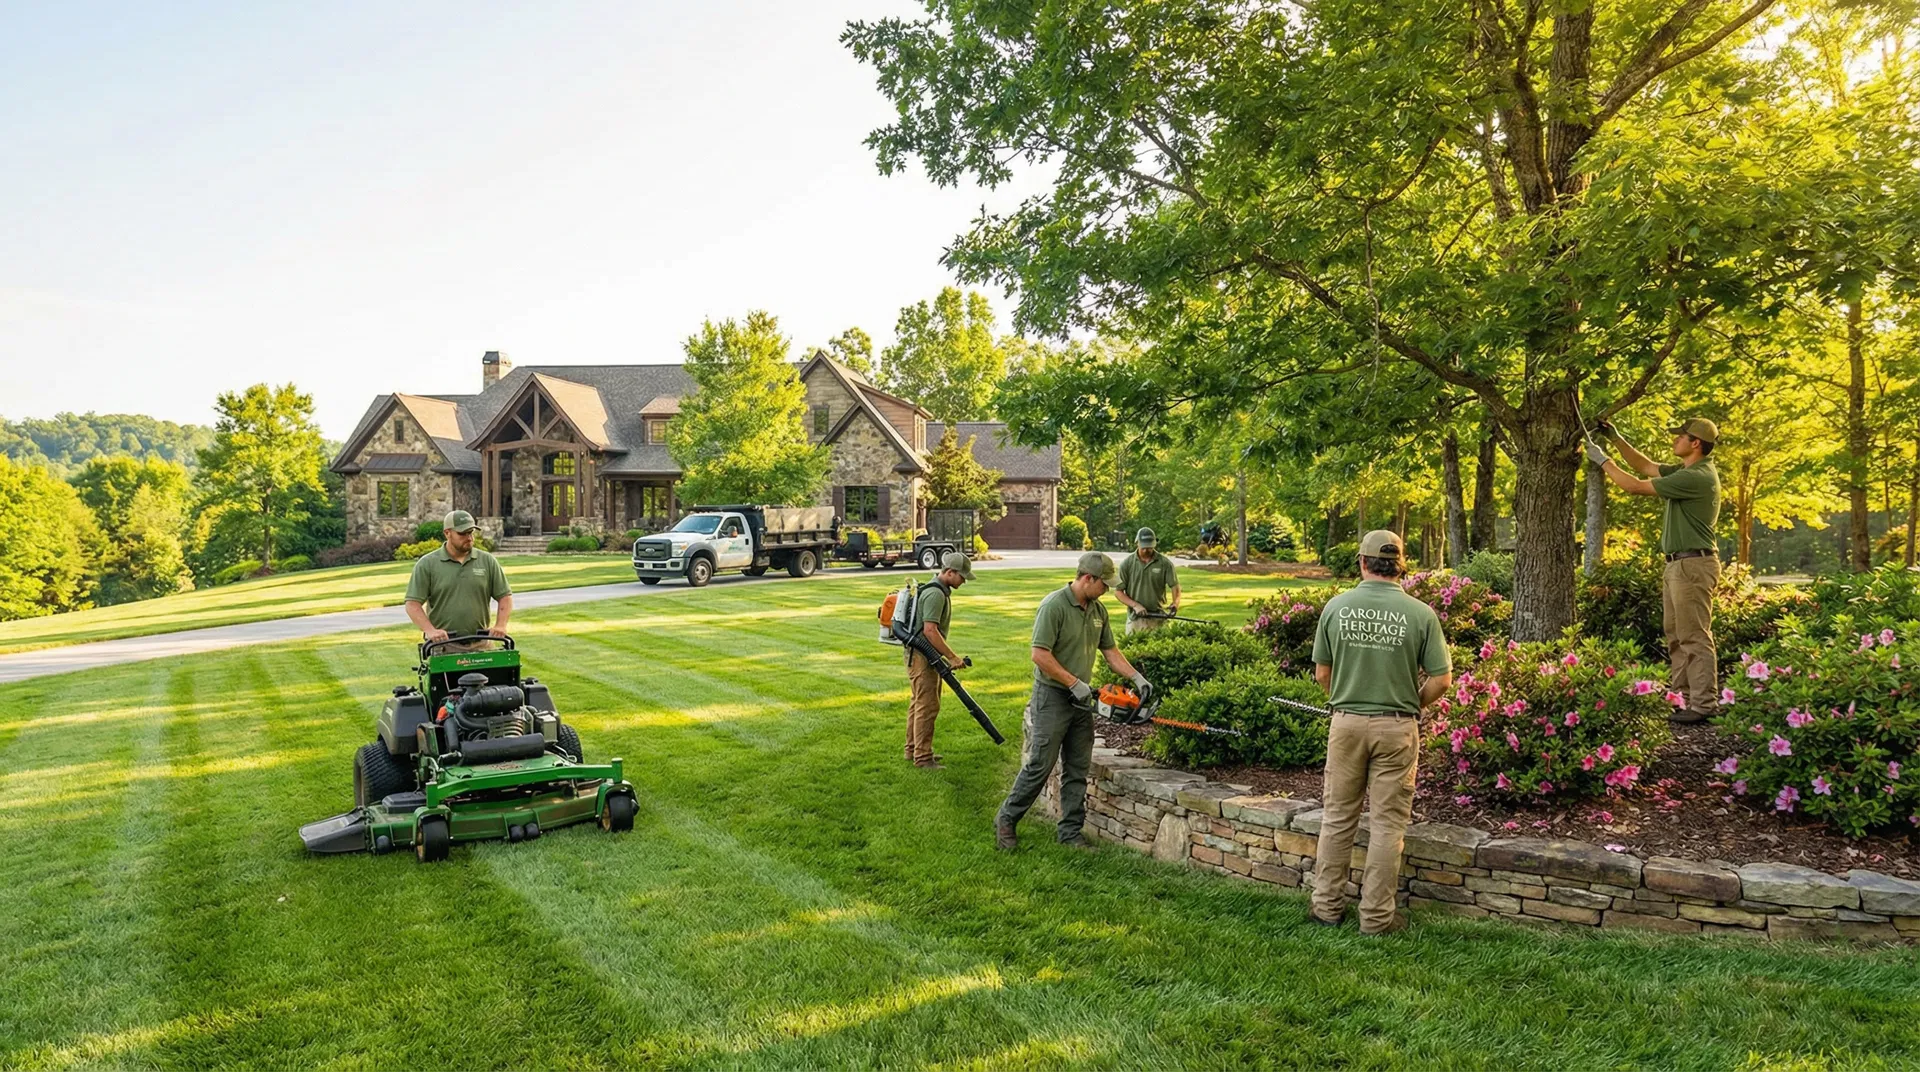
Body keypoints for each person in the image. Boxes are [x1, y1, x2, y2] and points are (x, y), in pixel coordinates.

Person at [1309, 530, 1452, 936]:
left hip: (1346, 722)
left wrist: (1344, 699)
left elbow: (1322, 672)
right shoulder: (1421, 613)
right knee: (1388, 824)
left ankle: (1326, 908)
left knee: (1337, 818)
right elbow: (1442, 681)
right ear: (1401, 564)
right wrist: (1412, 704)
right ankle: (1375, 919)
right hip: (1397, 726)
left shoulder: (1336, 608)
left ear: (1362, 561)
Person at [994, 552, 1152, 850]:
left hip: (1081, 699)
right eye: (1104, 584)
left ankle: (1070, 833)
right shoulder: (1053, 606)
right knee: (1041, 764)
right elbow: (1039, 655)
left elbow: (1111, 651)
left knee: (1078, 766)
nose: (1107, 590)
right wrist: (1072, 682)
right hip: (1053, 696)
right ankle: (1006, 818)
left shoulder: (1097, 611)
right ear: (1087, 579)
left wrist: (1136, 678)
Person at [1588, 417, 1723, 722]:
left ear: (1696, 443)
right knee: (1676, 635)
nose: (1675, 440)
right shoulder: (1686, 470)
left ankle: (1703, 705)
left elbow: (1634, 486)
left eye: (1680, 437)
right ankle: (1683, 698)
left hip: (1692, 564)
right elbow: (1645, 466)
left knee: (1694, 636)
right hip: (1679, 564)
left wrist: (1601, 460)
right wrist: (1615, 437)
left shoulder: (1697, 476)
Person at [405, 510, 513, 650]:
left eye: (471, 532)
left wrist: (500, 625)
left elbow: (505, 596)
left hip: (482, 643)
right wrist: (430, 630)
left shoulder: (487, 561)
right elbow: (412, 604)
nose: (469, 538)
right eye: (462, 533)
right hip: (444, 645)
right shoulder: (427, 564)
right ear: (447, 533)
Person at [904, 552, 974, 769]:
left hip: (922, 656)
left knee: (919, 703)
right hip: (923, 658)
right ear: (950, 572)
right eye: (961, 576)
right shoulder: (935, 594)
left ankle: (913, 749)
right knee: (928, 705)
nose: (963, 581)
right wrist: (952, 657)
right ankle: (923, 758)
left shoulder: (937, 590)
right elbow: (930, 631)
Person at [1114, 527, 1181, 634]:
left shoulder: (1164, 563)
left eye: (1150, 547)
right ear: (1137, 543)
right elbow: (1118, 592)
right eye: (1144, 547)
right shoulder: (1127, 564)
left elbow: (1175, 586)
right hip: (1136, 619)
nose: (1146, 550)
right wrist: (1135, 605)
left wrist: (1175, 603)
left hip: (1159, 617)